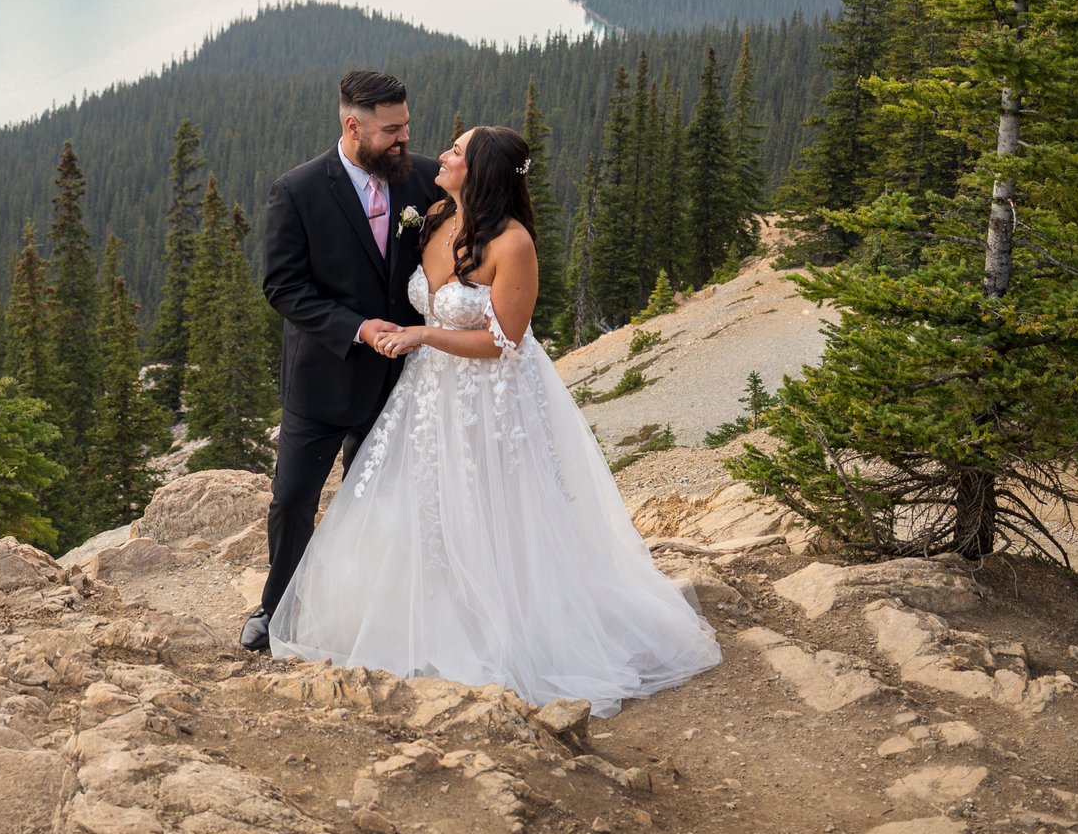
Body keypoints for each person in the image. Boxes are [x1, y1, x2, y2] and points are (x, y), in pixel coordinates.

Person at [265, 123, 721, 714]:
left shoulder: (513, 243)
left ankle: (509, 630)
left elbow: (503, 341)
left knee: (489, 504)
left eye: (456, 150)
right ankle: (418, 619)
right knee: (422, 503)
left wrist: (423, 334)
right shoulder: (433, 214)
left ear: (478, 171)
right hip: (427, 393)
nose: (441, 153)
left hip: (490, 398)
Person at [240, 69, 443, 653]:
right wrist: (356, 328)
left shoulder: (424, 178)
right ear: (353, 127)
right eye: (391, 130)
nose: (404, 138)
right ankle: (276, 607)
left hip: (397, 380)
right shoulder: (297, 191)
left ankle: (366, 611)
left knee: (376, 501)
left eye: (406, 125)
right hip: (322, 380)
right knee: (292, 501)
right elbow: (283, 287)